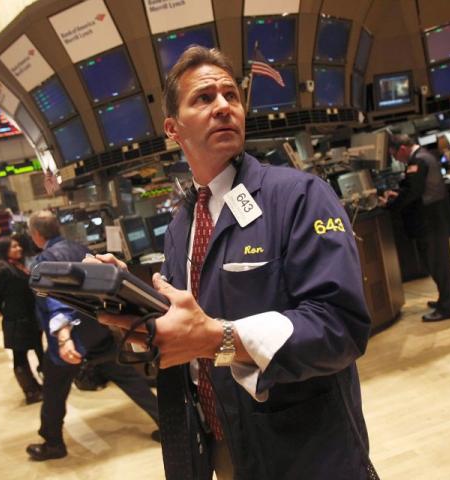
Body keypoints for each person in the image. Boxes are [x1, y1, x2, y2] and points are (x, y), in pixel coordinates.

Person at [91, 46, 376, 479]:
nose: (223, 106)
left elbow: (340, 327)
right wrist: (132, 313)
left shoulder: (299, 196)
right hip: (221, 445)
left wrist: (217, 339)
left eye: (231, 96)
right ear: (173, 128)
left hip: (304, 450)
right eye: (204, 98)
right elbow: (181, 333)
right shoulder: (181, 225)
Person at [24, 210, 162, 461]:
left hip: (72, 342)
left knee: (54, 391)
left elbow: (55, 301)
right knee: (130, 379)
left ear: (36, 234)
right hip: (98, 330)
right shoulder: (78, 248)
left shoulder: (46, 259)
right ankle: (164, 423)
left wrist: (64, 338)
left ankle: (53, 443)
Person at [380, 133, 450, 322]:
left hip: (430, 218)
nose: (395, 159)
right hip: (434, 217)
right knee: (440, 262)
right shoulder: (423, 156)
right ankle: (447, 300)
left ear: (403, 149)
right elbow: (413, 187)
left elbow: (413, 192)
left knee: (438, 263)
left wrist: (390, 204)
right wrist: (398, 193)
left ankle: (447, 307)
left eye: (394, 155)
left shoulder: (419, 161)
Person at [0, 236, 44, 405]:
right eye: (14, 246)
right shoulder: (3, 269)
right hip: (16, 319)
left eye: (18, 245)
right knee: (20, 355)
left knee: (37, 349)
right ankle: (31, 391)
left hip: (29, 316)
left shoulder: (17, 265)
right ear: (5, 250)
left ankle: (40, 386)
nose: (19, 248)